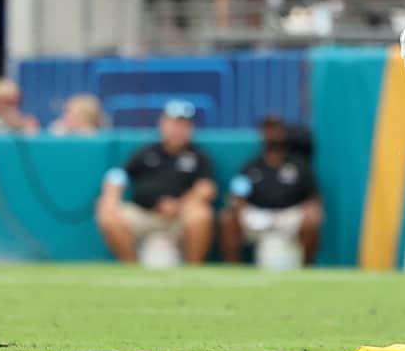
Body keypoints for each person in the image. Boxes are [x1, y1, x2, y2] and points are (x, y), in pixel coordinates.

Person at [96, 101, 218, 265]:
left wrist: (179, 205)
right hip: (144, 214)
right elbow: (117, 175)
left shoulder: (198, 157)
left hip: (178, 217)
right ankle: (132, 266)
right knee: (106, 211)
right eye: (174, 124)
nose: (178, 130)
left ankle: (192, 268)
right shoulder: (146, 152)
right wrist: (110, 198)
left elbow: (206, 189)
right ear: (163, 124)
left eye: (183, 125)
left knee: (201, 214)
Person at [220, 115, 322, 267]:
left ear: (283, 133)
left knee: (312, 218)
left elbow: (313, 198)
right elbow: (236, 196)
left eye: (276, 129)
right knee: (227, 218)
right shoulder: (250, 167)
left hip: (288, 215)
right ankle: (233, 268)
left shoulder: (299, 166)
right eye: (268, 130)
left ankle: (307, 267)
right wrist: (237, 206)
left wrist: (311, 210)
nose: (272, 134)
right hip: (259, 216)